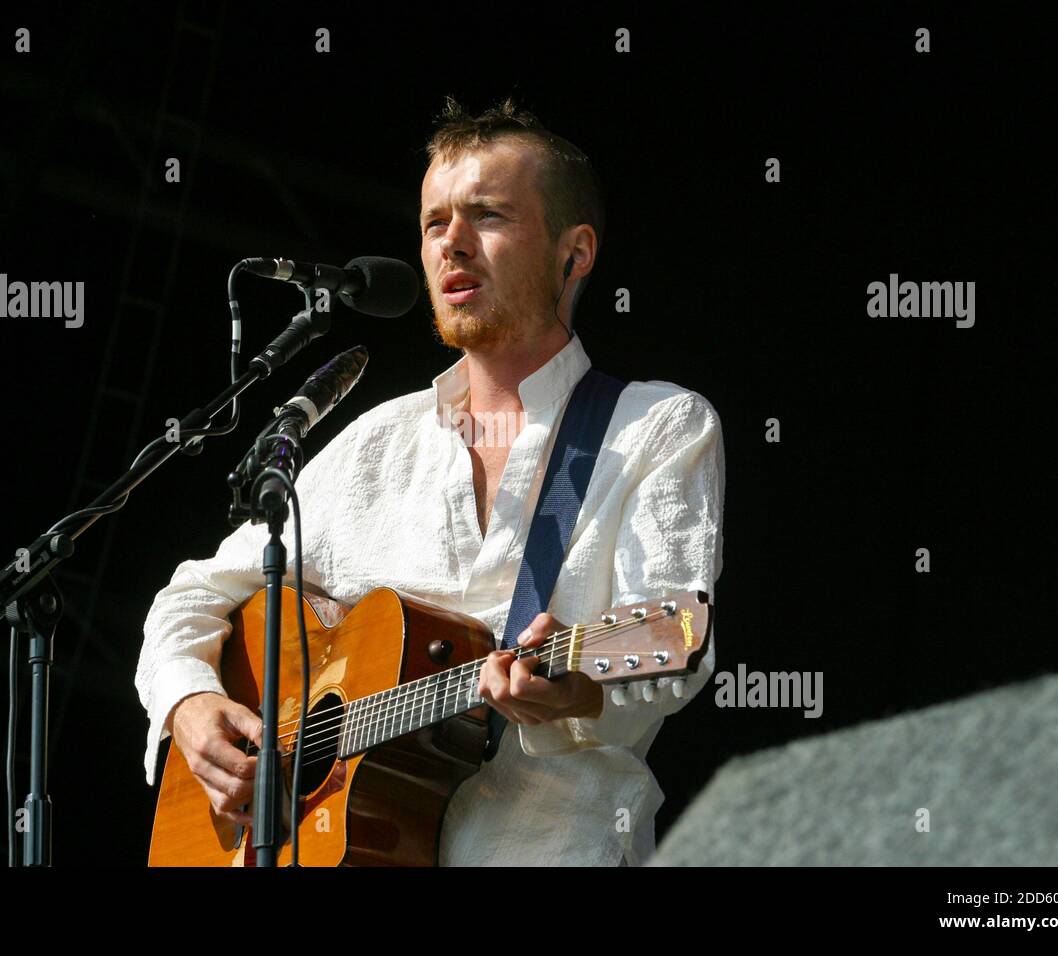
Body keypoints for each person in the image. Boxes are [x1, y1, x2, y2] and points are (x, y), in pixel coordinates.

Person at [135, 96, 725, 866]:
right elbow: (193, 594)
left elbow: (672, 642)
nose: (452, 243)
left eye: (487, 216)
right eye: (433, 222)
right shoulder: (379, 441)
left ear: (574, 252)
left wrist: (573, 693)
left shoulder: (655, 426)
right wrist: (192, 703)